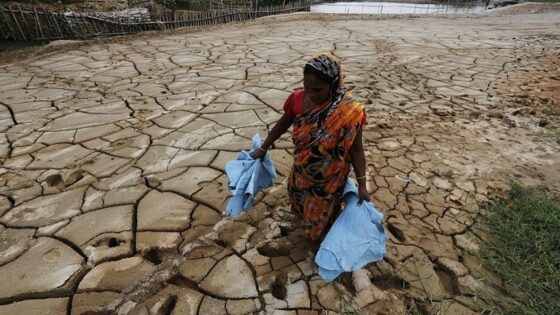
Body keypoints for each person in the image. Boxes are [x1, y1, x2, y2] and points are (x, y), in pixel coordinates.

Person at [253, 53, 370, 244]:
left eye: (318, 89)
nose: (312, 94)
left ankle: (320, 243)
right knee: (298, 202)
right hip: (302, 172)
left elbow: (356, 150)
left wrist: (362, 185)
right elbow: (283, 123)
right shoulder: (298, 99)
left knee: (322, 217)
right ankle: (306, 229)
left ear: (333, 85)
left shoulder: (348, 112)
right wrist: (263, 148)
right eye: (307, 88)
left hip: (330, 180)